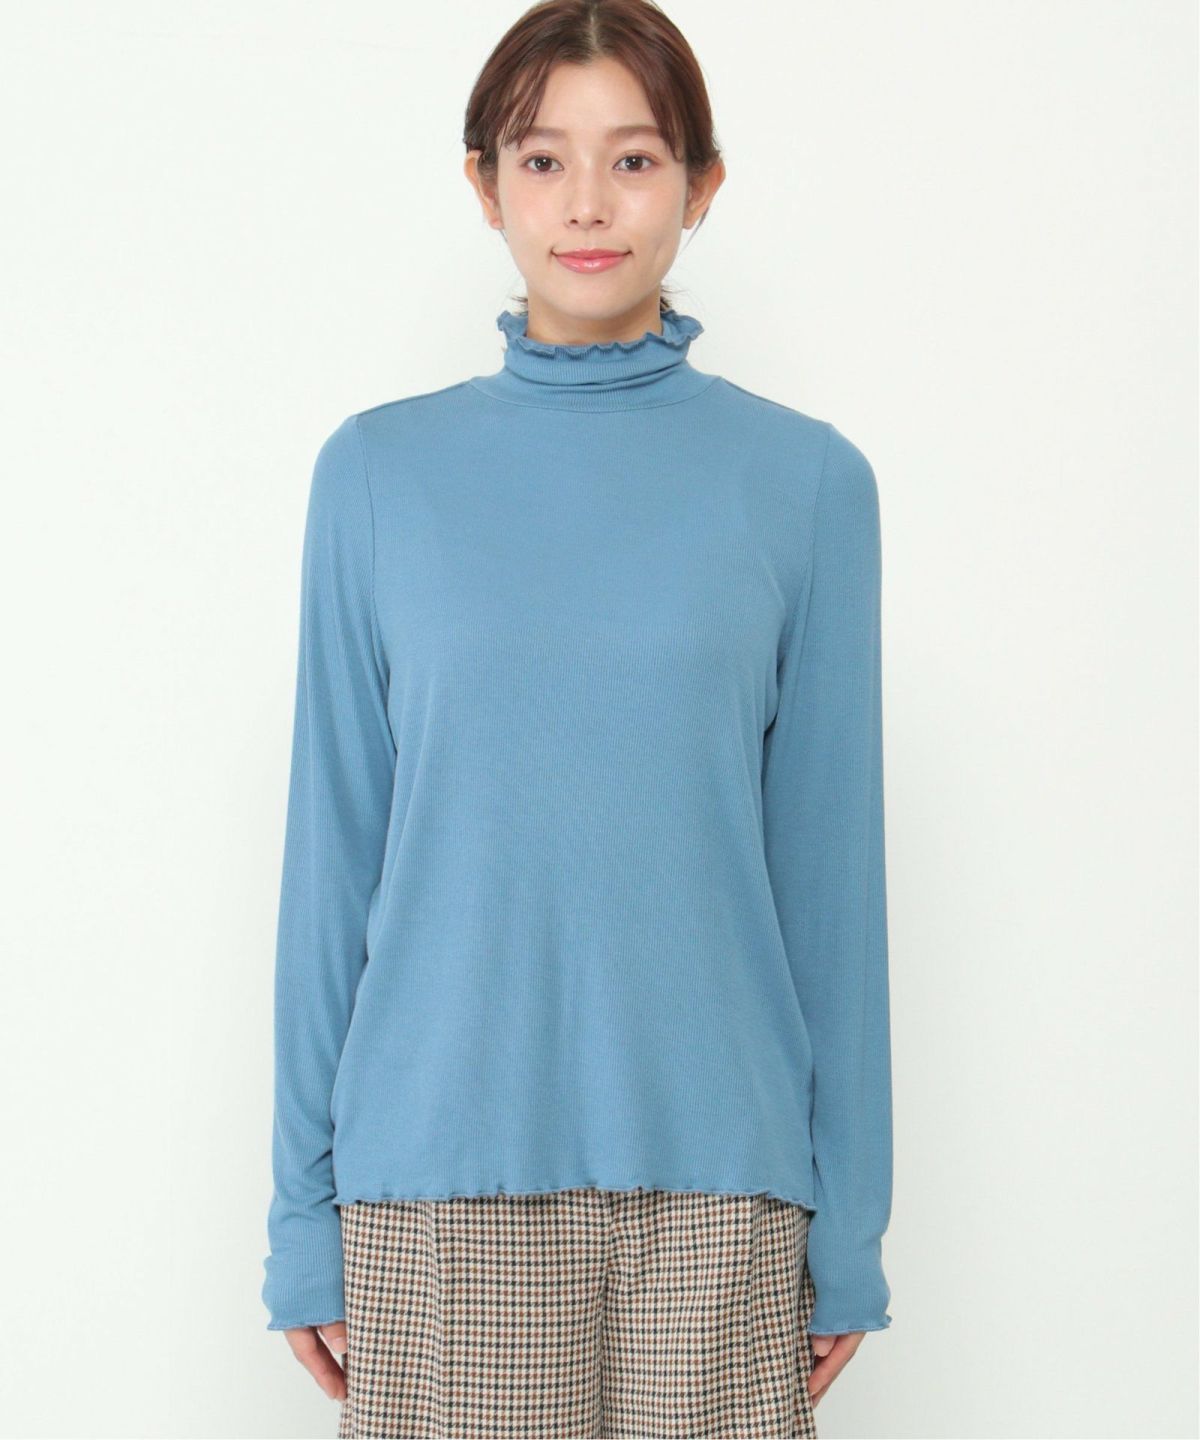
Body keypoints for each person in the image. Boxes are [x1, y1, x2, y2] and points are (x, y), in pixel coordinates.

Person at [262, 2, 894, 1435]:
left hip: (725, 1196)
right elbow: (332, 865)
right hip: (439, 1185)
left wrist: (850, 1225)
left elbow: (831, 885)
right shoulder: (377, 477)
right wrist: (303, 1213)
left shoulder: (807, 486)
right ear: (484, 186)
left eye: (636, 158)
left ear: (702, 184)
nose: (590, 204)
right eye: (543, 160)